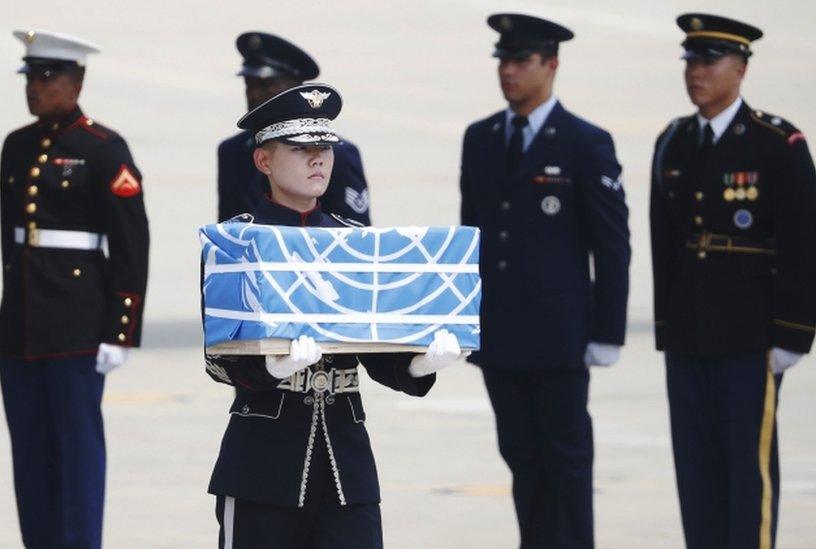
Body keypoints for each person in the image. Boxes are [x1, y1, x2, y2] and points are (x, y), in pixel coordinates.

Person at [205, 83, 461, 549]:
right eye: (301, 149)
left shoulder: (353, 243)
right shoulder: (235, 243)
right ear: (264, 160)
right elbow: (218, 357)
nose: (317, 159)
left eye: (323, 147)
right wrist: (270, 367)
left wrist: (417, 364)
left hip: (345, 461)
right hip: (263, 460)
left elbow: (374, 348)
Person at [458, 13, 630, 548]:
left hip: (559, 337)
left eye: (521, 60)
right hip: (501, 335)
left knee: (566, 465)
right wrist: (464, 318)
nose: (508, 71)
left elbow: (611, 243)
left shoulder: (585, 142)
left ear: (550, 65)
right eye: (503, 61)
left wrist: (608, 331)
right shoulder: (481, 137)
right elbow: (472, 238)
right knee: (522, 461)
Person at [650, 14, 816, 548]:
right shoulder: (673, 142)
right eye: (691, 62)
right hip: (689, 336)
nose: (696, 73)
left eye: (709, 61)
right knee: (695, 472)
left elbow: (802, 239)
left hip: (750, 337)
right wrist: (667, 329)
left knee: (748, 473)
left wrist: (793, 332)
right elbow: (664, 245)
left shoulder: (775, 143)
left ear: (740, 69)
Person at [0, 29, 149, 549]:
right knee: (30, 455)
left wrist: (121, 329)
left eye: (47, 76)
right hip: (21, 327)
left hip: (79, 324)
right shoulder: (16, 147)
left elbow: (130, 243)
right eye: (31, 77)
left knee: (77, 453)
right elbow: (9, 242)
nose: (35, 87)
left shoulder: (103, 148)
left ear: (77, 81)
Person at [217, 32, 371, 224]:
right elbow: (227, 227)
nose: (255, 94)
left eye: (267, 85)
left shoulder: (342, 153)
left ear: (294, 88)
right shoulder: (232, 150)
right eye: (250, 85)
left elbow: (357, 236)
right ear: (262, 160)